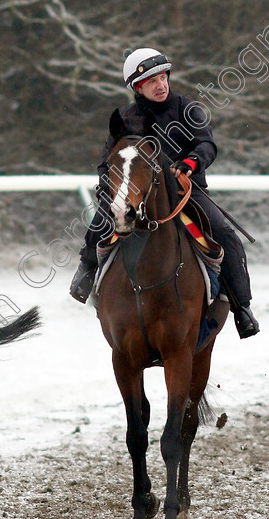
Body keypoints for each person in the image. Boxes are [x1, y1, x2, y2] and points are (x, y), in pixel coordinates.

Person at [69, 47, 259, 339]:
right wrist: (108, 185)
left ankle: (241, 307)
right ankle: (86, 271)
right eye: (151, 81)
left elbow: (207, 145)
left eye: (163, 77)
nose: (161, 85)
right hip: (137, 194)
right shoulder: (125, 119)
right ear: (137, 87)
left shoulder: (188, 108)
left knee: (223, 231)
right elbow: (107, 160)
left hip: (187, 192)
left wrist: (190, 163)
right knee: (103, 219)